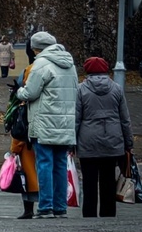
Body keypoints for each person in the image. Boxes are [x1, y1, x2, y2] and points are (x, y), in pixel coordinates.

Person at [15, 31, 77, 218]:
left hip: (44, 123)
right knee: (59, 165)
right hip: (65, 123)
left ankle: (45, 207)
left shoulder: (41, 64)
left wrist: (19, 92)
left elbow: (31, 93)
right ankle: (60, 207)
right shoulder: (70, 64)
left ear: (36, 48)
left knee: (43, 164)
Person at [75, 56, 133, 217]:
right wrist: (128, 143)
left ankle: (89, 214)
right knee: (108, 180)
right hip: (112, 140)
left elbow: (76, 119)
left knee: (89, 182)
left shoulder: (81, 90)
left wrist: (72, 143)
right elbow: (125, 119)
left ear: (87, 71)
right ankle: (108, 214)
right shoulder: (116, 89)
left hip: (88, 140)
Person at [8, 45, 42, 219]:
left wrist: (14, 147)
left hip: (29, 130)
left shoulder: (28, 72)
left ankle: (29, 208)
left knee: (27, 170)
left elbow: (20, 102)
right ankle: (50, 205)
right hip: (49, 129)